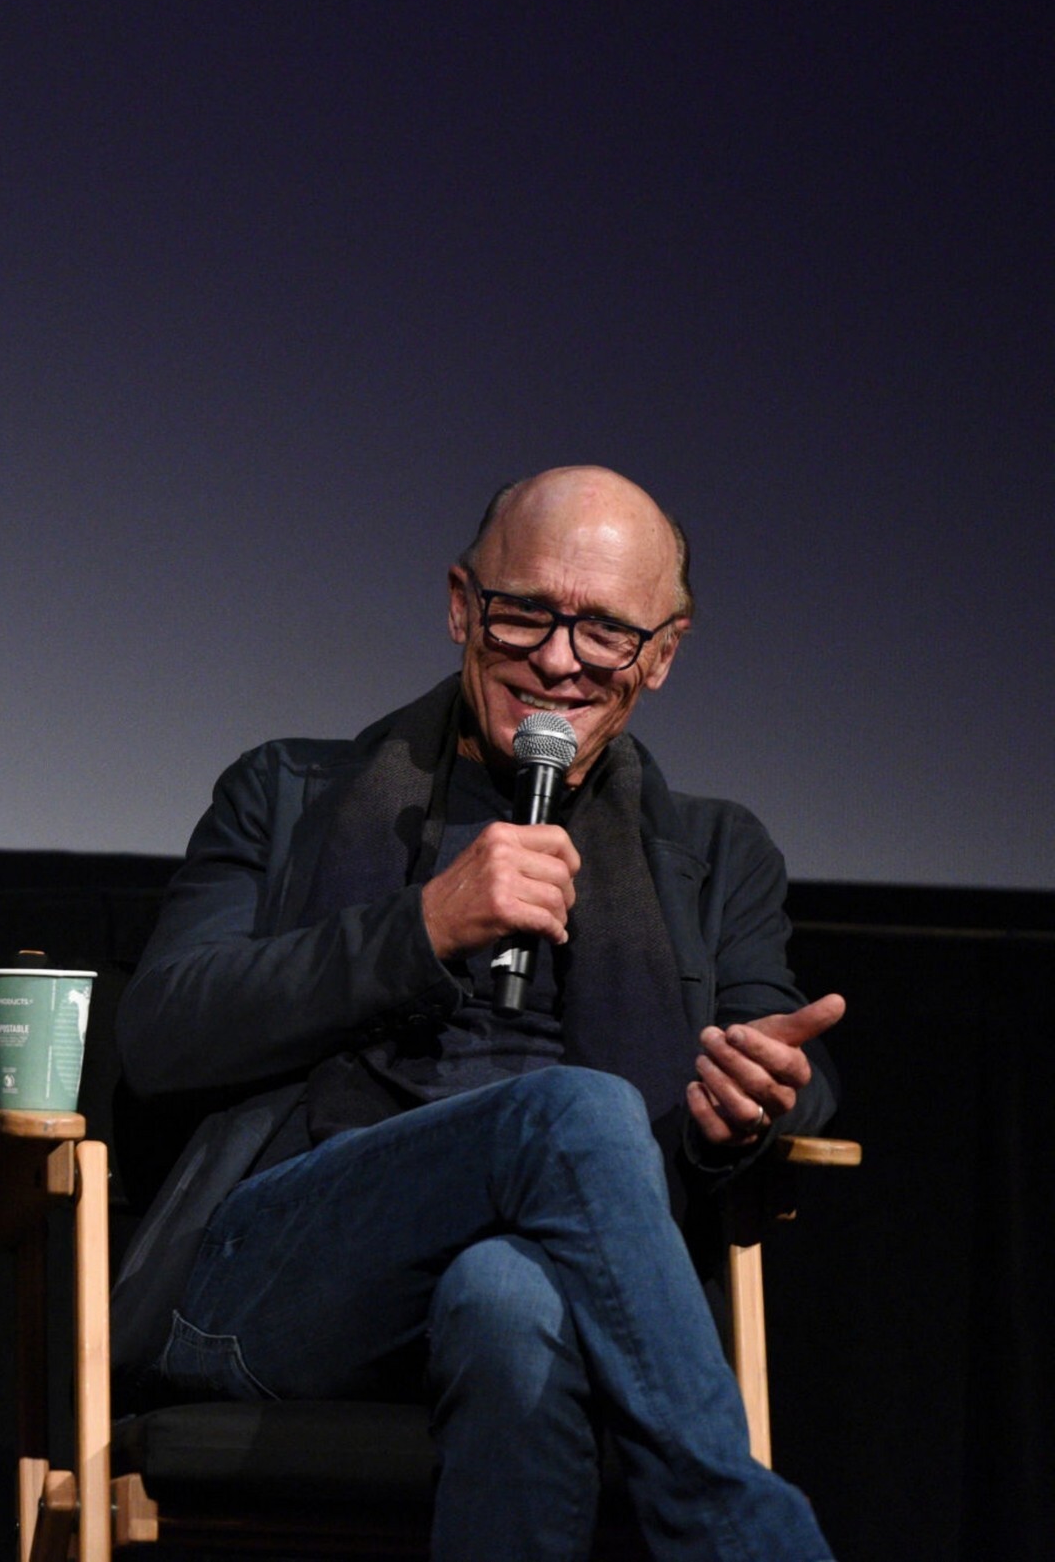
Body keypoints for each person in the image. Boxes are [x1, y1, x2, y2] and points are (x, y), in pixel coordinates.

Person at [110, 466, 842, 1560]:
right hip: (287, 1275)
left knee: (508, 1299)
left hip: (559, 1284)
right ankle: (740, 1530)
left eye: (606, 631)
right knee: (575, 1111)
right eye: (524, 612)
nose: (558, 659)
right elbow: (163, 1030)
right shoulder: (286, 794)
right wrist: (422, 926)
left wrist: (758, 1097)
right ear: (462, 604)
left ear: (662, 654)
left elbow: (784, 1056)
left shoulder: (717, 853)